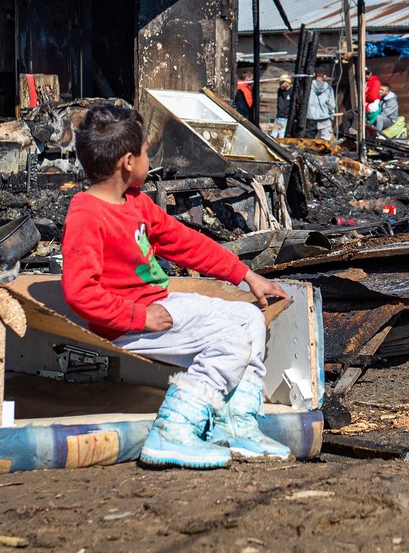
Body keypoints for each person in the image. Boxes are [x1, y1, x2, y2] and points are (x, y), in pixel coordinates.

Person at [61, 105, 291, 469]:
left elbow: (184, 242)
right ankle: (173, 430)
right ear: (127, 162)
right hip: (127, 324)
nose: (149, 159)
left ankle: (236, 425)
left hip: (160, 305)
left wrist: (244, 275)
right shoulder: (87, 214)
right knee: (229, 340)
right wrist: (138, 316)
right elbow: (79, 291)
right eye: (146, 152)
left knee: (248, 317)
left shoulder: (135, 203)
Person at [306, 70, 335, 140]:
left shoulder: (308, 87)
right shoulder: (329, 88)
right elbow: (331, 104)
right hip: (324, 118)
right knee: (326, 141)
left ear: (314, 74)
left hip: (311, 118)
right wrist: (331, 115)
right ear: (324, 76)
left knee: (309, 140)